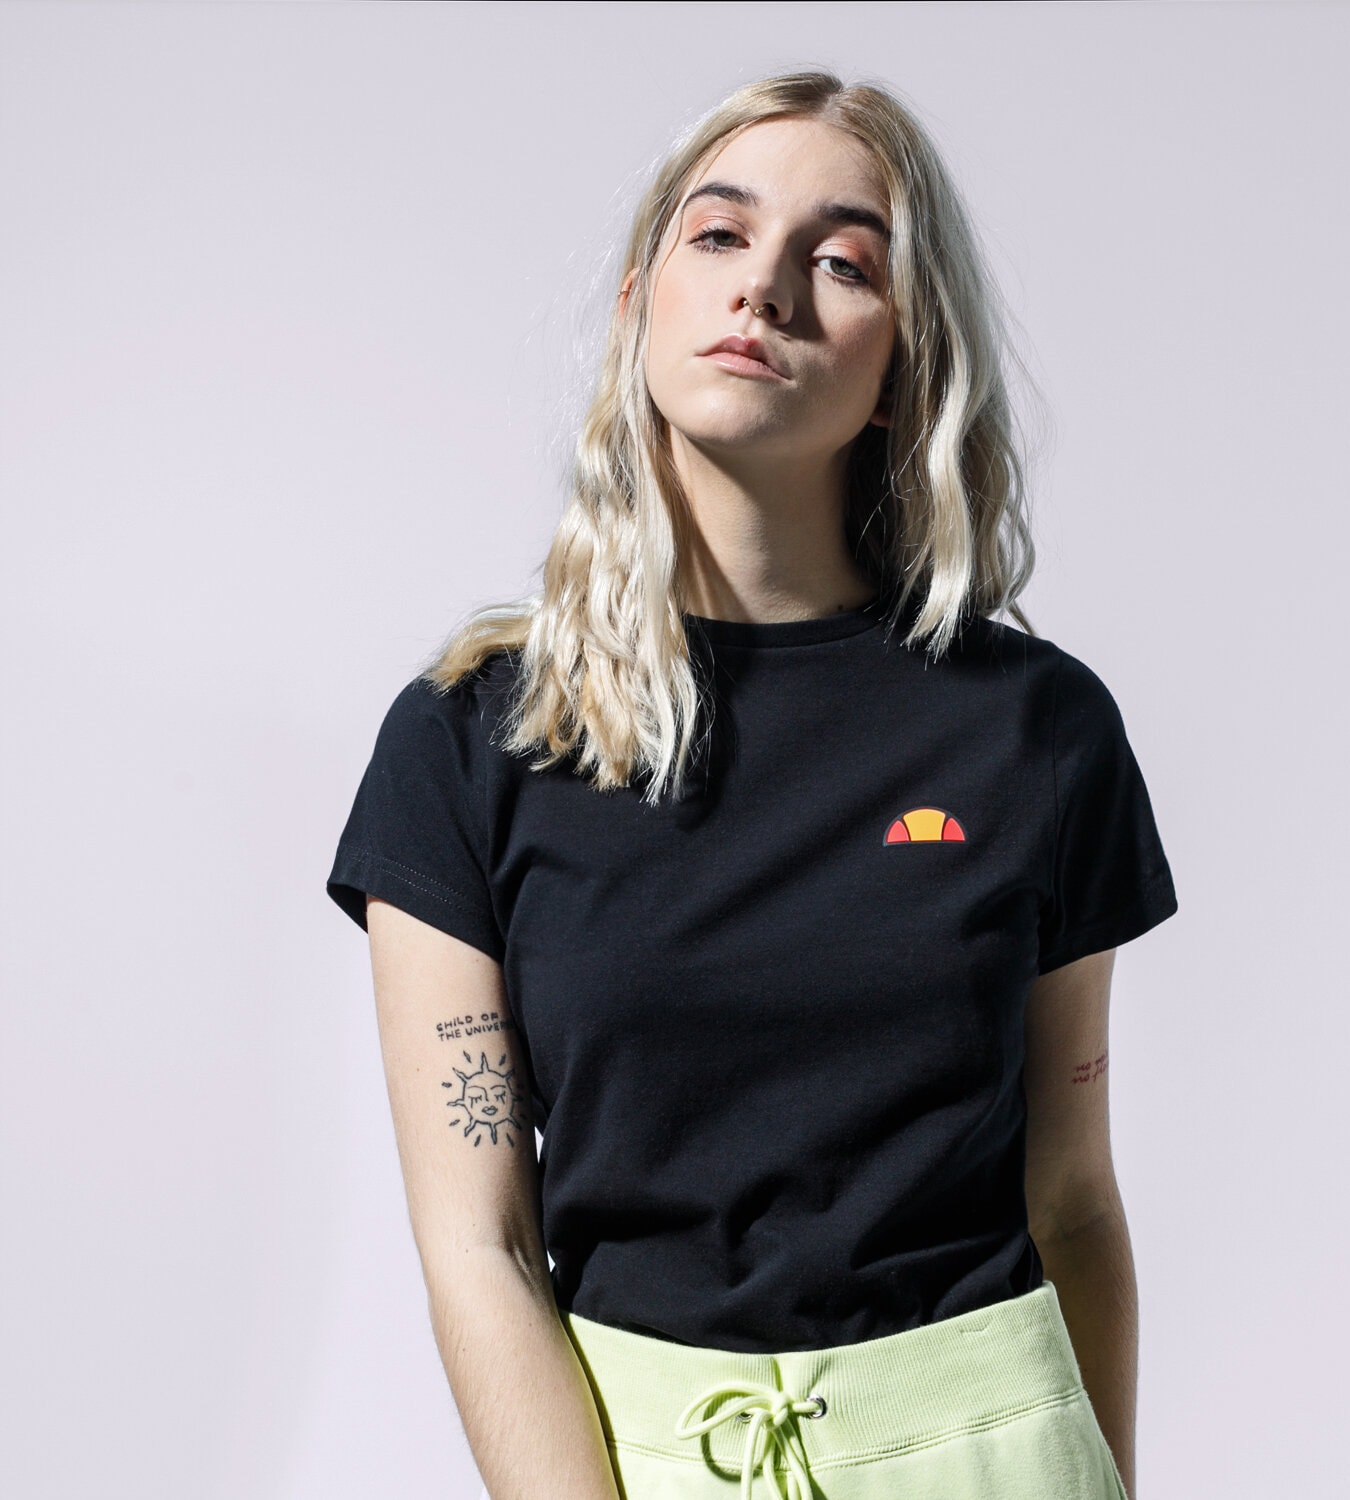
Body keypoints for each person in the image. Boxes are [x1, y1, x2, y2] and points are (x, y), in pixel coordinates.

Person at [327, 70, 1177, 1500]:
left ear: (906, 365)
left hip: (993, 1452)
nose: (764, 287)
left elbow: (1074, 1199)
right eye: (719, 235)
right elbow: (480, 1247)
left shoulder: (1037, 730)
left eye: (842, 262)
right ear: (636, 306)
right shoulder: (472, 740)